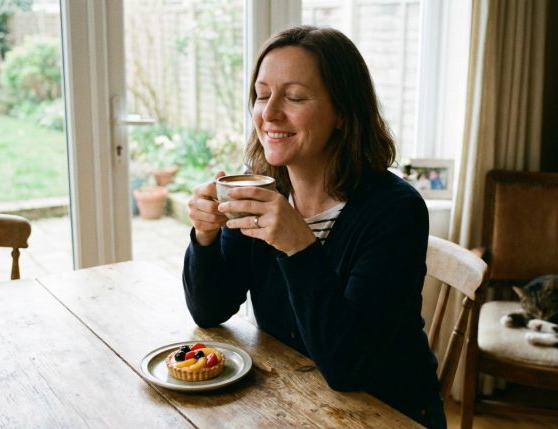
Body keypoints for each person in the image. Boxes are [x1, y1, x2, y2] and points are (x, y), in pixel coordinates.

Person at [183, 25, 445, 428]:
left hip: (389, 412)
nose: (269, 114)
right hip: (292, 402)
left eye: (295, 97)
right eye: (262, 94)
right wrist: (206, 236)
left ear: (343, 112)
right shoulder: (261, 189)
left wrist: (299, 247)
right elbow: (210, 310)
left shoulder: (396, 211)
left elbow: (349, 367)